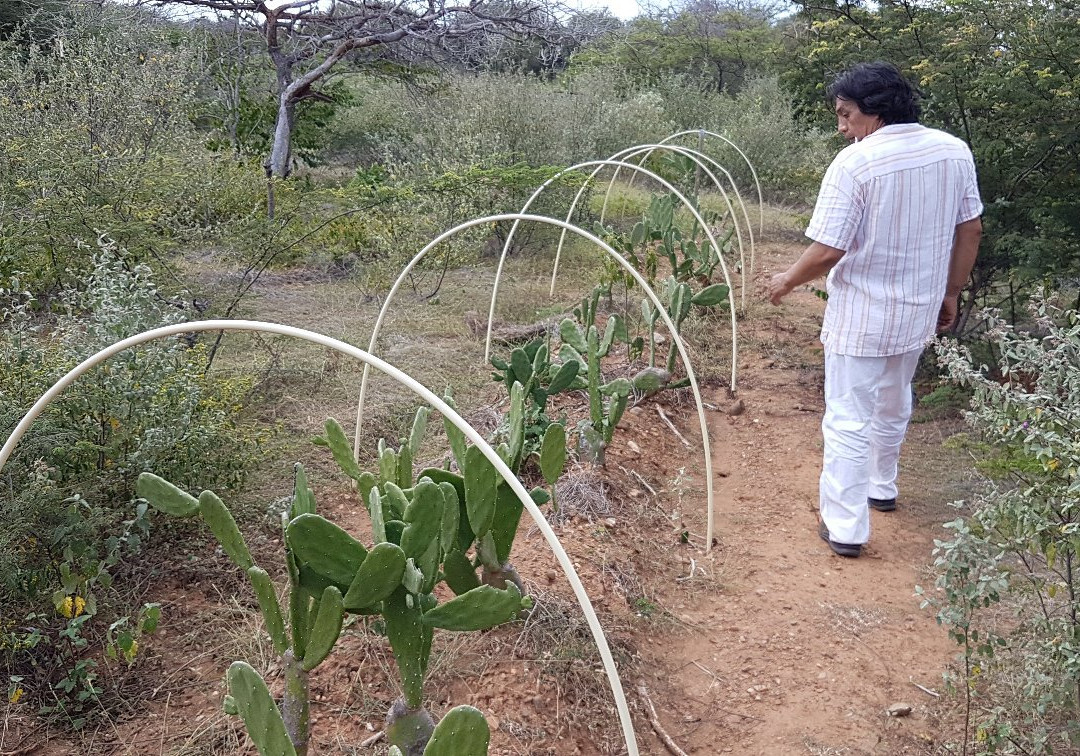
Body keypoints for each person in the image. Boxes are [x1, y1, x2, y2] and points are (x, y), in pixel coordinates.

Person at [766, 62, 983, 558]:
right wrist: (951, 291)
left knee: (847, 415)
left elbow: (827, 250)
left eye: (846, 115)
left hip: (863, 313)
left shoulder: (856, 164)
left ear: (876, 110)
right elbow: (970, 229)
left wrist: (785, 281)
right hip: (919, 307)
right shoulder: (953, 150)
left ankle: (845, 527)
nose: (842, 127)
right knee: (894, 398)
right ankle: (881, 487)